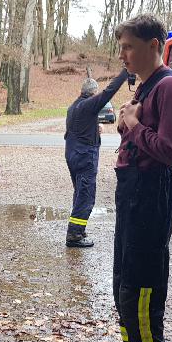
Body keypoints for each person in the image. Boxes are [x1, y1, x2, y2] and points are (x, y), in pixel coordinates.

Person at [92, 14, 172, 342]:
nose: (123, 54)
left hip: (151, 195)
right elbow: (140, 135)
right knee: (123, 285)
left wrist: (133, 124)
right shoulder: (146, 87)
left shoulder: (168, 86)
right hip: (132, 193)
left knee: (143, 294)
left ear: (155, 44)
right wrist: (129, 125)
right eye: (121, 47)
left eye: (129, 46)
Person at [64, 69, 129, 247]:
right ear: (93, 93)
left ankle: (79, 228)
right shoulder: (89, 105)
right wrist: (125, 72)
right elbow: (109, 91)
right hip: (85, 157)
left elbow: (76, 129)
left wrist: (95, 128)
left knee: (79, 194)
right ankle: (74, 235)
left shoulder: (74, 107)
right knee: (86, 195)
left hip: (72, 154)